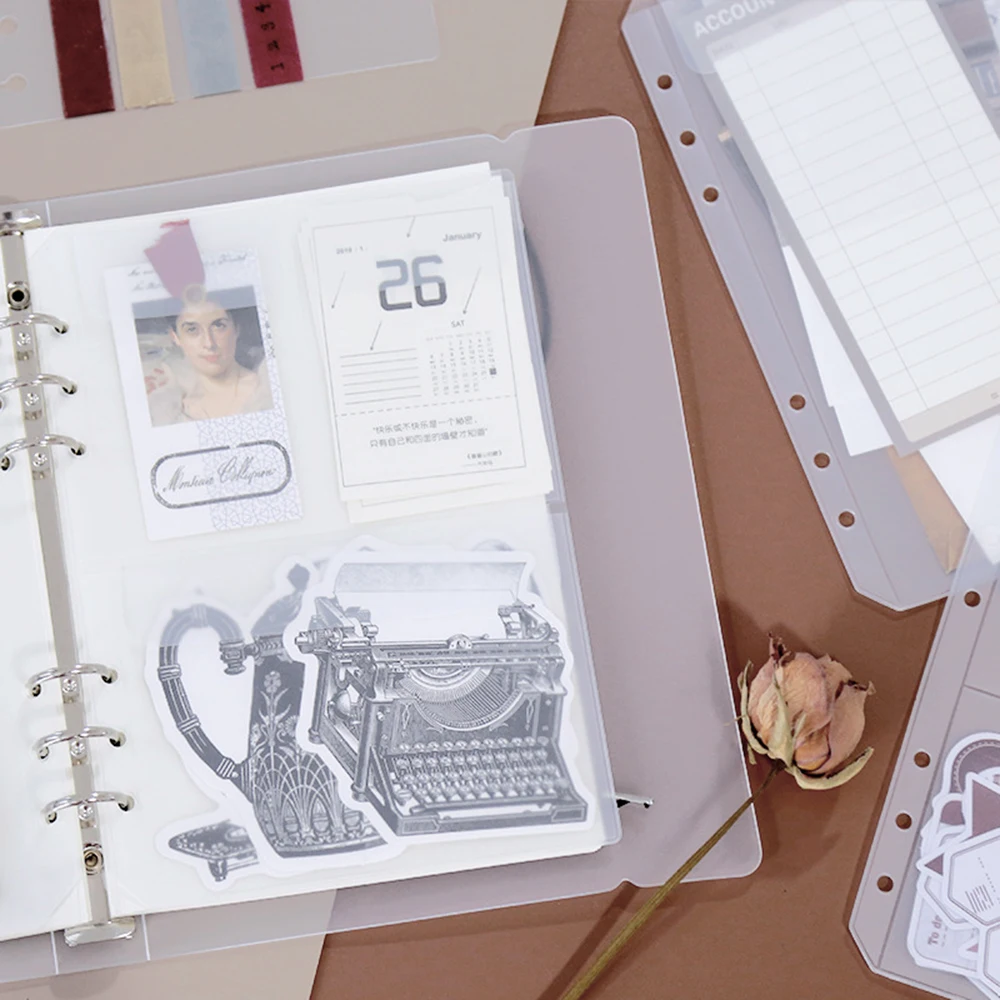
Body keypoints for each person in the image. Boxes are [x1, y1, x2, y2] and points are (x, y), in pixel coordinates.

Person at [146, 294, 273, 426]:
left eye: (218, 326)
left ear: (236, 329)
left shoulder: (266, 392)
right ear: (175, 337)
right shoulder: (174, 410)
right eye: (192, 329)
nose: (209, 343)